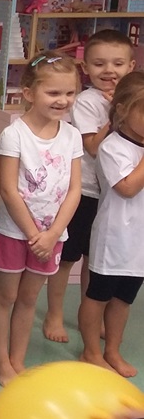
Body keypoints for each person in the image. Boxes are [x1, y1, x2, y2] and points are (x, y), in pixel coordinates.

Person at [0, 53, 83, 386]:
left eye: (69, 93)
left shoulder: (72, 135)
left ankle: (18, 359)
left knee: (29, 299)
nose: (62, 100)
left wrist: (53, 233)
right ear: (29, 93)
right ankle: (1, 361)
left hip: (52, 235)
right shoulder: (14, 135)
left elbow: (74, 189)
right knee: (6, 296)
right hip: (15, 232)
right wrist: (33, 234)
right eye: (53, 93)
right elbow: (8, 189)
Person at [43, 30, 136, 343]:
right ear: (85, 68)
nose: (109, 70)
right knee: (68, 257)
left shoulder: (133, 100)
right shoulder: (86, 102)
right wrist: (116, 113)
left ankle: (89, 316)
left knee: (93, 261)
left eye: (117, 63)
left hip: (110, 195)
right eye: (99, 64)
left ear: (131, 66)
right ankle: (55, 314)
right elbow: (94, 147)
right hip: (83, 191)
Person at [79, 72, 144, 378]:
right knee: (98, 296)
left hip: (139, 241)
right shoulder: (112, 146)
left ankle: (112, 350)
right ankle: (90, 351)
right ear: (122, 110)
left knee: (123, 299)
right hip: (114, 237)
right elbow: (127, 187)